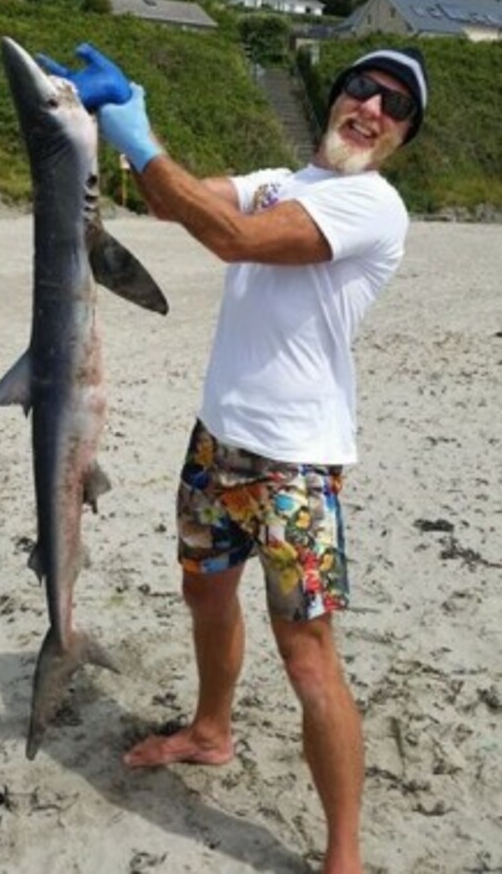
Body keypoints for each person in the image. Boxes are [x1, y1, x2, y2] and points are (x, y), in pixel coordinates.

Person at [69, 43, 429, 874]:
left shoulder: (373, 207)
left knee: (307, 654)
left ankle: (344, 854)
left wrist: (138, 135)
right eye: (362, 88)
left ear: (402, 137)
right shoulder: (278, 179)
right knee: (204, 593)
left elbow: (230, 236)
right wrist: (131, 126)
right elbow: (181, 206)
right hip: (215, 441)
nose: (372, 108)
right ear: (338, 96)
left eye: (395, 107)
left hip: (295, 466)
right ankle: (211, 729)